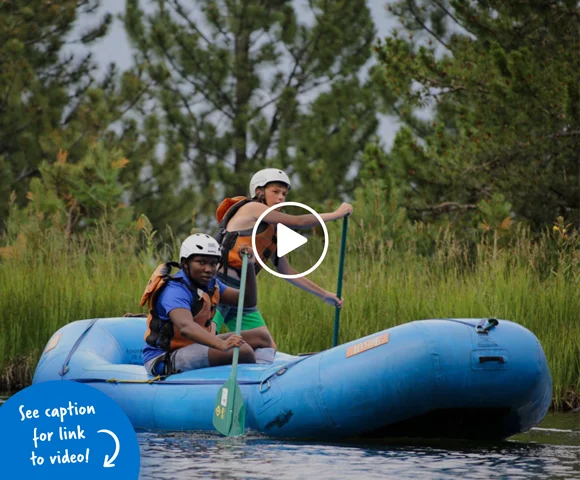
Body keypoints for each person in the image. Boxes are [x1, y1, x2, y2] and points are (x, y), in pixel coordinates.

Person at [213, 168, 353, 348]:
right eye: (275, 192)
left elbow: (287, 272)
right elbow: (299, 222)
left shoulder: (274, 231)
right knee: (207, 337)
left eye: (284, 194)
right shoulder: (253, 208)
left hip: (243, 293)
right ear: (259, 191)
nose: (281, 197)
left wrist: (324, 294)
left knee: (267, 346)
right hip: (220, 285)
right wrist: (336, 214)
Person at [142, 233, 260, 376]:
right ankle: (250, 384)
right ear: (185, 263)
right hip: (164, 358)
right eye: (201, 262)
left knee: (258, 337)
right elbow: (185, 327)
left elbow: (247, 300)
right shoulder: (175, 290)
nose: (209, 269)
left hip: (193, 346)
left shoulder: (211, 284)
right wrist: (220, 345)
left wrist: (249, 265)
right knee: (243, 350)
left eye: (213, 263)